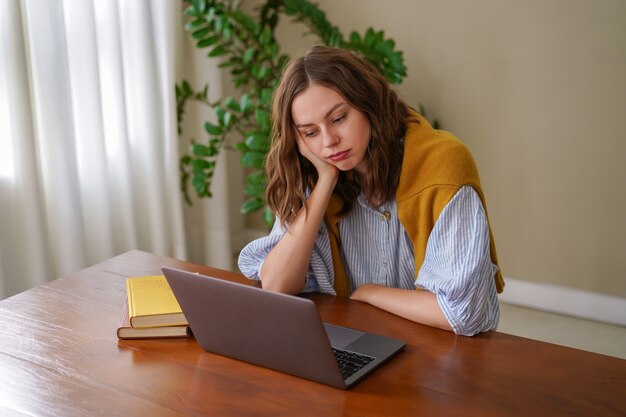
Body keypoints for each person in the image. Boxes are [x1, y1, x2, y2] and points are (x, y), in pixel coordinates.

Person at [238, 45, 504, 336]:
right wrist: (326, 181)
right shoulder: (315, 169)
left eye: (339, 118)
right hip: (361, 338)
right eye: (310, 132)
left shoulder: (442, 165)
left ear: (368, 104)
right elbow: (276, 284)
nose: (329, 142)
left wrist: (370, 293)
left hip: (443, 351)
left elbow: (463, 314)